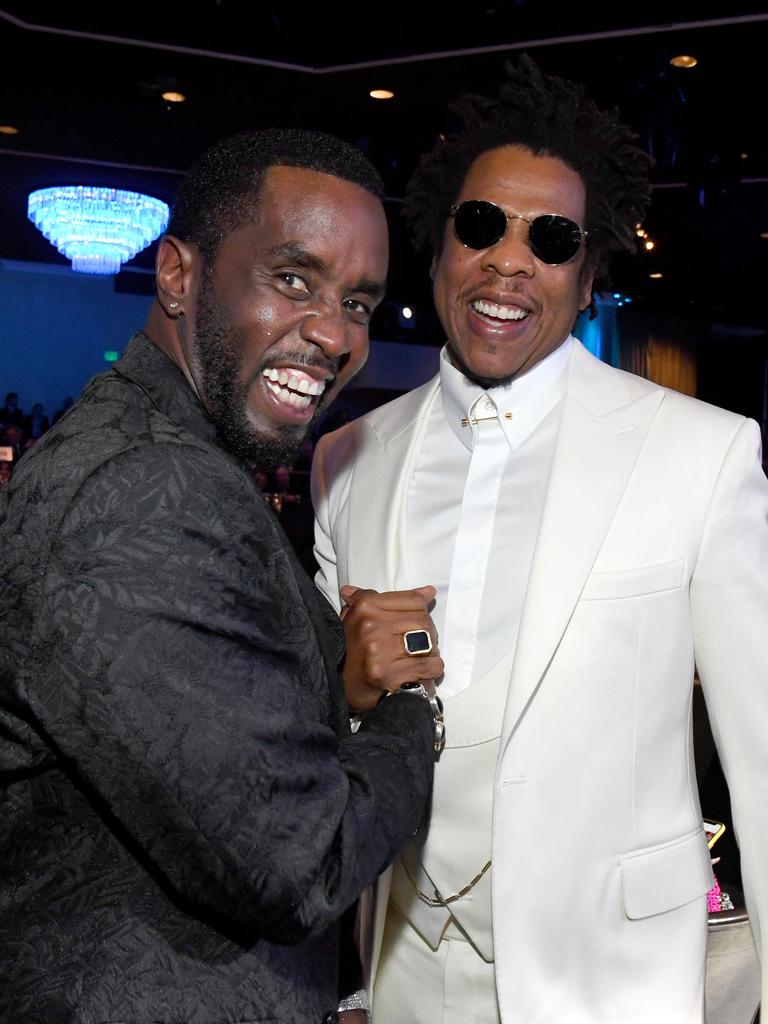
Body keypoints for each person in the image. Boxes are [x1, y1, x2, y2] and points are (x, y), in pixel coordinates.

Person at [312, 59, 768, 1023]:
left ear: (588, 274)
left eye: (551, 240)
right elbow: (309, 732)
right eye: (482, 225)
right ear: (437, 247)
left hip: (614, 979)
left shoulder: (702, 453)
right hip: (403, 970)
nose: (509, 262)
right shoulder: (348, 458)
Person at [0, 128, 445, 1024]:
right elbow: (300, 861)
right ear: (178, 275)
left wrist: (335, 674)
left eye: (358, 302)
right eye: (293, 280)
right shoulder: (137, 489)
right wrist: (410, 712)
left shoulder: (180, 458)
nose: (332, 333)